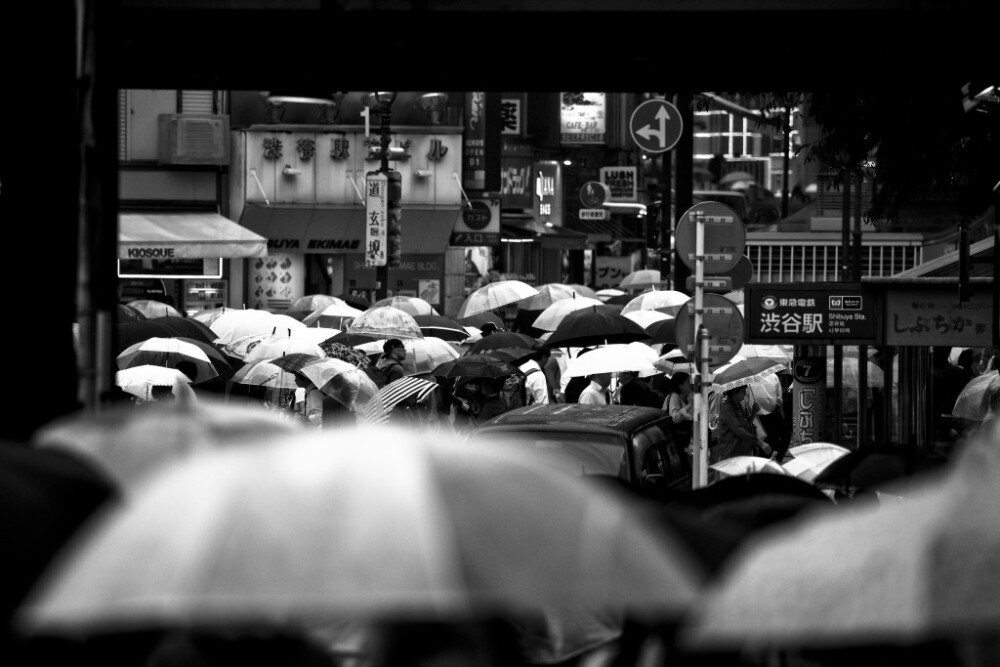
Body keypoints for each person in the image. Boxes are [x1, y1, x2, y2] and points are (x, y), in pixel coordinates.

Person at [711, 385, 769, 463]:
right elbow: (740, 431)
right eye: (743, 391)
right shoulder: (728, 408)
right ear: (735, 392)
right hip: (730, 454)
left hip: (740, 452)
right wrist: (760, 443)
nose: (745, 393)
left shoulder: (738, 405)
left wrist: (754, 413)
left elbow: (745, 425)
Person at [662, 372, 694, 450]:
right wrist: (690, 405)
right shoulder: (674, 396)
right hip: (676, 442)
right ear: (680, 385)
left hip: (687, 441)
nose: (691, 384)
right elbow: (675, 418)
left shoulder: (686, 398)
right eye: (688, 382)